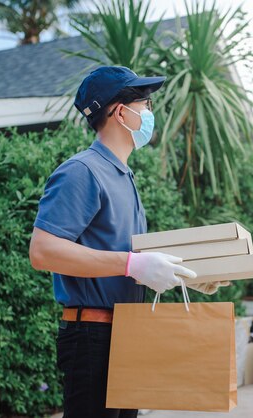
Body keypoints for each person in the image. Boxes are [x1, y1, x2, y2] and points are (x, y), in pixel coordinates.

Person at [28, 66, 231, 418]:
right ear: (121, 112)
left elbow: (127, 258)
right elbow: (43, 251)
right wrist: (132, 264)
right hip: (93, 337)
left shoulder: (123, 175)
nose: (150, 113)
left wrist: (193, 276)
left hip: (126, 334)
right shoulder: (82, 171)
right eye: (146, 103)